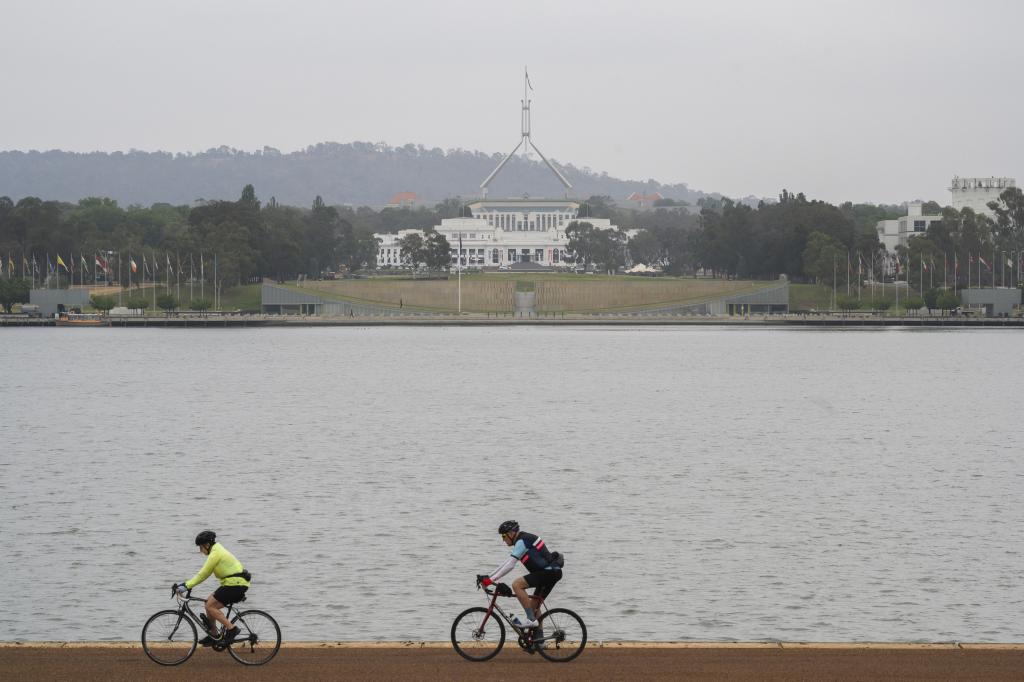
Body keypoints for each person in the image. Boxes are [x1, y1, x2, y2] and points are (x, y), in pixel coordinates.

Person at [477, 520, 562, 629]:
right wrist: (489, 577)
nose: (503, 540)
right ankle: (539, 641)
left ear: (511, 533)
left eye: (503, 536)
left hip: (548, 573)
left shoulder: (522, 541)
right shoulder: (522, 540)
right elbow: (507, 562)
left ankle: (530, 620)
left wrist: (489, 580)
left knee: (517, 584)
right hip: (551, 573)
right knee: (533, 607)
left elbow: (510, 566)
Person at [174, 531, 251, 646]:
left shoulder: (215, 553)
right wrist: (187, 584)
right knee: (208, 603)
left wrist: (186, 586)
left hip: (235, 584)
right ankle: (214, 635)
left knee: (210, 606)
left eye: (201, 547)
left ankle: (232, 629)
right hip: (233, 583)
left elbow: (203, 574)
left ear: (207, 545)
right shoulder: (216, 550)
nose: (200, 550)